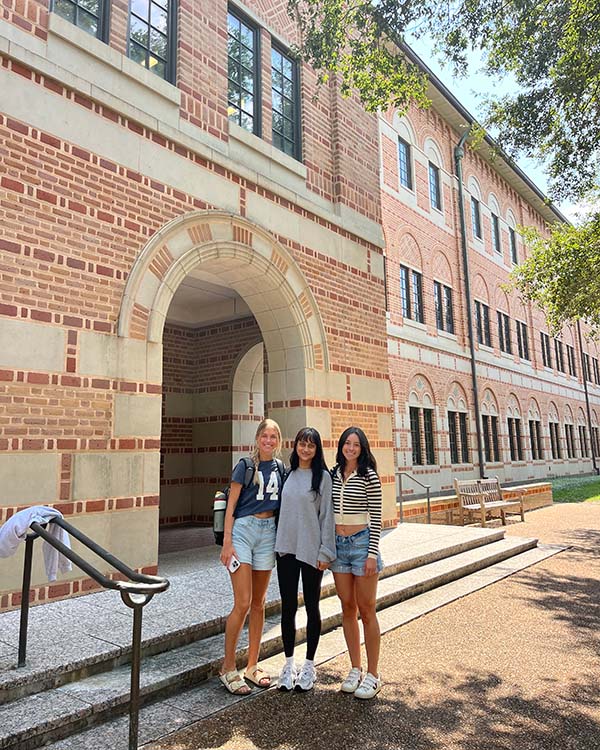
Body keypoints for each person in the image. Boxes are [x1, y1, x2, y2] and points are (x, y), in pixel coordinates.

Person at [219, 418, 284, 695]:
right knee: (243, 602)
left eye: (274, 437)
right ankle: (228, 667)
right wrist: (227, 541)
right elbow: (231, 504)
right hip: (244, 530)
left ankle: (253, 666)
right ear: (258, 438)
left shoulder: (281, 468)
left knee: (259, 603)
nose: (269, 441)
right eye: (265, 436)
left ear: (278, 441)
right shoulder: (245, 465)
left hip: (268, 532)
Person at [274, 427, 336, 692]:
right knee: (288, 608)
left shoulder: (322, 477)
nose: (306, 449)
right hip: (286, 549)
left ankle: (309, 665)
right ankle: (289, 664)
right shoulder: (287, 474)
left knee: (312, 606)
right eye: (302, 444)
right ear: (296, 445)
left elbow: (328, 517)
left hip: (312, 551)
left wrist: (325, 552)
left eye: (311, 445)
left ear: (317, 449)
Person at [330, 426, 383, 699]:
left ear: (362, 449)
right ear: (341, 446)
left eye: (356, 445)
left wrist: (372, 554)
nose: (350, 448)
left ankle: (373, 674)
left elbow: (376, 518)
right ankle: (355, 668)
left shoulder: (369, 476)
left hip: (362, 546)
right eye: (347, 443)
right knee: (347, 608)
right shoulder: (333, 474)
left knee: (367, 609)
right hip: (339, 549)